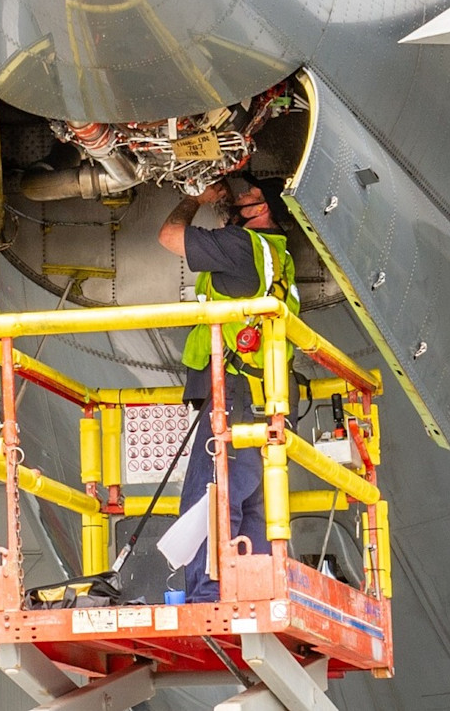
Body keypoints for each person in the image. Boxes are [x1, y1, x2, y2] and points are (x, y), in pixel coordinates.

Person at [157, 174, 300, 602]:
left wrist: (193, 199)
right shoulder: (279, 256)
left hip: (231, 391)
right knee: (251, 500)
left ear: (264, 210)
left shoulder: (242, 248)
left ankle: (208, 595)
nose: (233, 206)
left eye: (244, 201)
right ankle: (252, 591)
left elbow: (169, 236)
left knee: (212, 494)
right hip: (265, 396)